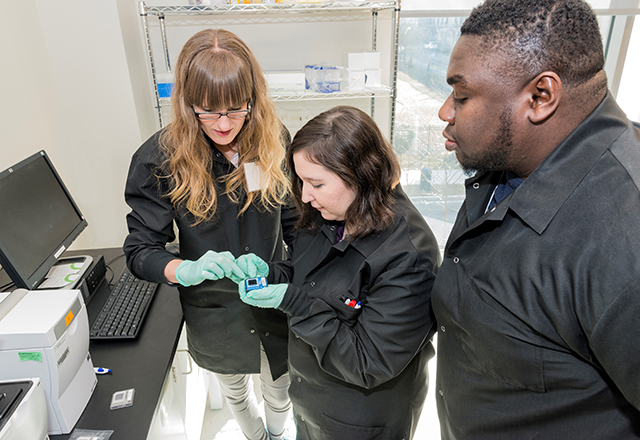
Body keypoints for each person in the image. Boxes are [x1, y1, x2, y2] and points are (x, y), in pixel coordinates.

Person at [431, 0, 640, 439]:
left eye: (463, 96)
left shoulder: (624, 241)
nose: (446, 112)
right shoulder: (512, 155)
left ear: (541, 96)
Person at [123, 29, 297, 440]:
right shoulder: (158, 160)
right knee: (235, 391)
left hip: (273, 299)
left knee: (281, 388)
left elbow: (297, 223)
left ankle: (277, 432)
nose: (222, 124)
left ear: (253, 100)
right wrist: (184, 269)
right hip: (215, 313)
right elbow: (139, 250)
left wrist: (293, 274)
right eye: (207, 111)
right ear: (187, 104)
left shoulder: (275, 143)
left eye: (235, 110)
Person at [233, 105, 441, 440]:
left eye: (315, 183)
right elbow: (314, 276)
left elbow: (368, 361)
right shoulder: (328, 210)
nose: (304, 195)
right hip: (308, 399)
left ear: (362, 175)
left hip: (359, 419)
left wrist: (296, 304)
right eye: (300, 181)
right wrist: (274, 275)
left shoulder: (408, 256)